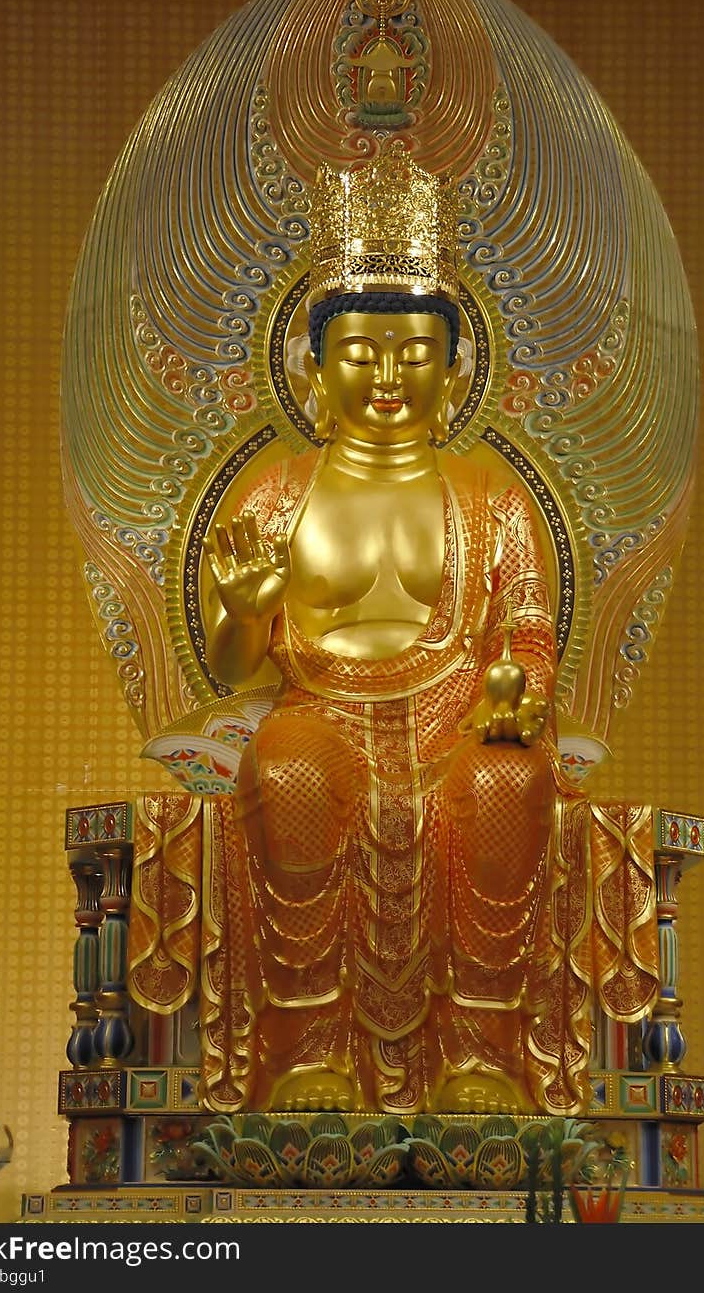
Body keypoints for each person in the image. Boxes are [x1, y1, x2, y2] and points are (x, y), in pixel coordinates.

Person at [197, 149, 561, 1114]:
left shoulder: (491, 494)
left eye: (414, 351)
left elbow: (528, 631)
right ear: (314, 364)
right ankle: (308, 1049)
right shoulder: (278, 488)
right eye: (361, 351)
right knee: (291, 771)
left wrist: (513, 696)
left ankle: (480, 1054)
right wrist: (240, 609)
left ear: (455, 363)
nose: (389, 375)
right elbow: (236, 670)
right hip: (318, 707)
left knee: (507, 781)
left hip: (455, 717)